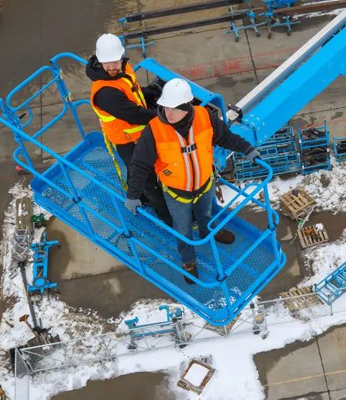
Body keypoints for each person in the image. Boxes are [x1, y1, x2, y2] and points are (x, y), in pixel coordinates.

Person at [124, 78, 260, 284]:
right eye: (164, 107)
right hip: (176, 193)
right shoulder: (154, 130)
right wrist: (133, 195)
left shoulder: (205, 117)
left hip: (205, 185)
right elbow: (140, 164)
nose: (167, 114)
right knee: (183, 228)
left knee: (205, 215)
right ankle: (188, 261)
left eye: (173, 109)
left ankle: (209, 232)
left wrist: (247, 149)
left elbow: (225, 137)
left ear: (187, 107)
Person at [87, 33, 171, 225]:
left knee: (136, 172)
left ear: (121, 57)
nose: (112, 67)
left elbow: (131, 90)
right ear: (99, 61)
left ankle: (140, 196)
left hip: (138, 135)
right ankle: (167, 218)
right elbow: (133, 114)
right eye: (107, 64)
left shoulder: (123, 69)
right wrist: (166, 116)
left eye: (115, 62)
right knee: (148, 180)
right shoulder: (104, 92)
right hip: (126, 141)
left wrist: (147, 92)